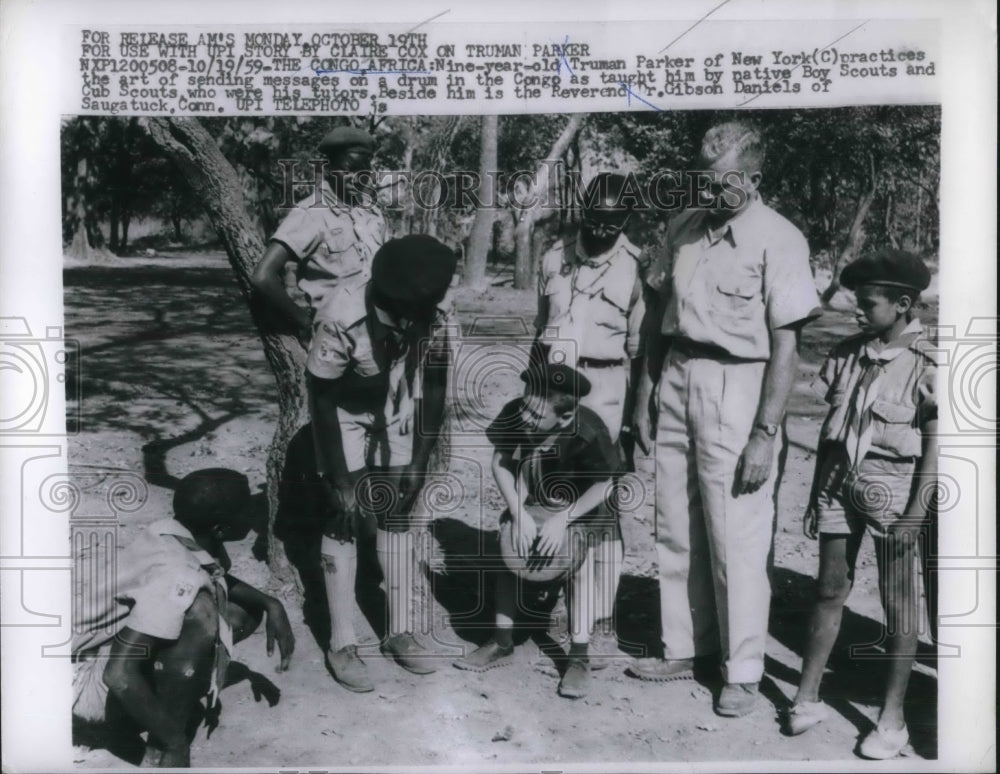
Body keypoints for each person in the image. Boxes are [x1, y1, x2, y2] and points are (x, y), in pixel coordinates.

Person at [629, 121, 822, 718]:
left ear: (753, 179)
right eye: (702, 180)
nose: (708, 193)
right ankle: (687, 646)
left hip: (740, 385)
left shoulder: (779, 239)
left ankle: (741, 669)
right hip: (678, 374)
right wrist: (644, 394)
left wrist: (765, 433)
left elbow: (787, 346)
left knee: (736, 531)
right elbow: (657, 314)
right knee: (676, 522)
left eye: (721, 183)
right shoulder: (682, 228)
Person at [784, 250, 937, 759]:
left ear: (903, 304)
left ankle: (892, 718)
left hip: (894, 490)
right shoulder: (848, 354)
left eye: (867, 303)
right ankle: (807, 696)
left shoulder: (928, 364)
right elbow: (830, 434)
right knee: (829, 588)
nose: (857, 310)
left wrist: (916, 512)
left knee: (898, 604)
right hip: (837, 483)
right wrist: (815, 494)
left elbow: (936, 448)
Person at [297, 234, 456, 693]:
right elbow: (321, 398)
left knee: (398, 510)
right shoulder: (341, 314)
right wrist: (340, 478)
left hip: (398, 404)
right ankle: (341, 642)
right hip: (344, 410)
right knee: (343, 516)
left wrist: (419, 462)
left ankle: (399, 631)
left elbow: (436, 383)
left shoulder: (434, 308)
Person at [72, 469, 295, 768]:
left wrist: (271, 603)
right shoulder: (177, 573)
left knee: (240, 610)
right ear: (220, 528)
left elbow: (214, 576)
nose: (253, 515)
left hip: (103, 655)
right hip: (83, 685)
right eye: (246, 509)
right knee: (201, 615)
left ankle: (162, 706)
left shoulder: (175, 532)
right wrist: (175, 742)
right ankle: (159, 747)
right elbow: (119, 674)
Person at [452, 362, 621, 699]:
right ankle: (502, 641)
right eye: (524, 406)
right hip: (533, 495)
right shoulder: (517, 412)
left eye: (535, 414)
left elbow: (605, 485)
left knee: (580, 568)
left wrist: (564, 519)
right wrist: (518, 514)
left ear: (565, 417)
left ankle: (579, 656)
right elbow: (501, 462)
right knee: (509, 552)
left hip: (580, 504)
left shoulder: (589, 431)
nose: (524, 417)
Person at [533, 172, 646, 668]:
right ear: (582, 212)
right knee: (551, 487)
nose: (601, 230)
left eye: (612, 223)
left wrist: (634, 420)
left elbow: (639, 352)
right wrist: (533, 395)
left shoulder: (636, 268)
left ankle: (598, 617)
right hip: (554, 387)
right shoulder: (553, 258)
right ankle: (553, 589)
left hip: (605, 388)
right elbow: (540, 328)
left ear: (626, 220)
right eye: (594, 219)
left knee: (602, 500)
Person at [252, 125, 386, 347]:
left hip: (376, 337)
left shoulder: (371, 212)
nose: (357, 178)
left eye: (364, 170)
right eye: (349, 170)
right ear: (329, 169)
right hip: (335, 341)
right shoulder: (310, 213)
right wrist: (303, 322)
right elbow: (262, 277)